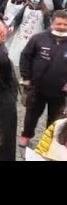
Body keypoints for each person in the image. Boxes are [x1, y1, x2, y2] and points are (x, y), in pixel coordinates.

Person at [19, 10, 67, 148]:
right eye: (59, 23)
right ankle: (25, 136)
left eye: (65, 24)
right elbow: (25, 56)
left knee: (55, 118)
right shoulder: (38, 38)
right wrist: (26, 77)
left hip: (60, 91)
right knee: (31, 115)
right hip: (37, 87)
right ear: (52, 23)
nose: (62, 27)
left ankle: (48, 141)